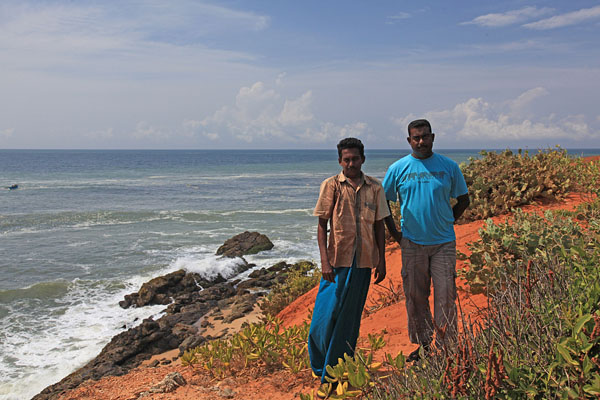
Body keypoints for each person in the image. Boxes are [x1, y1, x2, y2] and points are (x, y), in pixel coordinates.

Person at [382, 119, 469, 362]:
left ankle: (447, 348)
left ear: (433, 137)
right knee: (415, 296)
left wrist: (447, 221)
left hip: (444, 244)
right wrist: (396, 234)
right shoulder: (397, 169)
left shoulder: (449, 167)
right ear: (409, 141)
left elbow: (464, 199)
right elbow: (383, 204)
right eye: (416, 138)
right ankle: (424, 345)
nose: (421, 141)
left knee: (446, 295)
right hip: (412, 244)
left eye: (425, 136)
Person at [308, 137, 389, 393]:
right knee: (324, 317)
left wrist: (382, 259)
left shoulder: (375, 187)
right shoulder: (331, 185)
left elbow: (379, 225)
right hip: (337, 262)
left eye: (355, 158)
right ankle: (321, 366)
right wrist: (324, 261)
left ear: (362, 159)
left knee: (349, 320)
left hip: (364, 262)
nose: (351, 163)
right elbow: (322, 225)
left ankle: (334, 377)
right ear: (340, 160)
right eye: (346, 159)